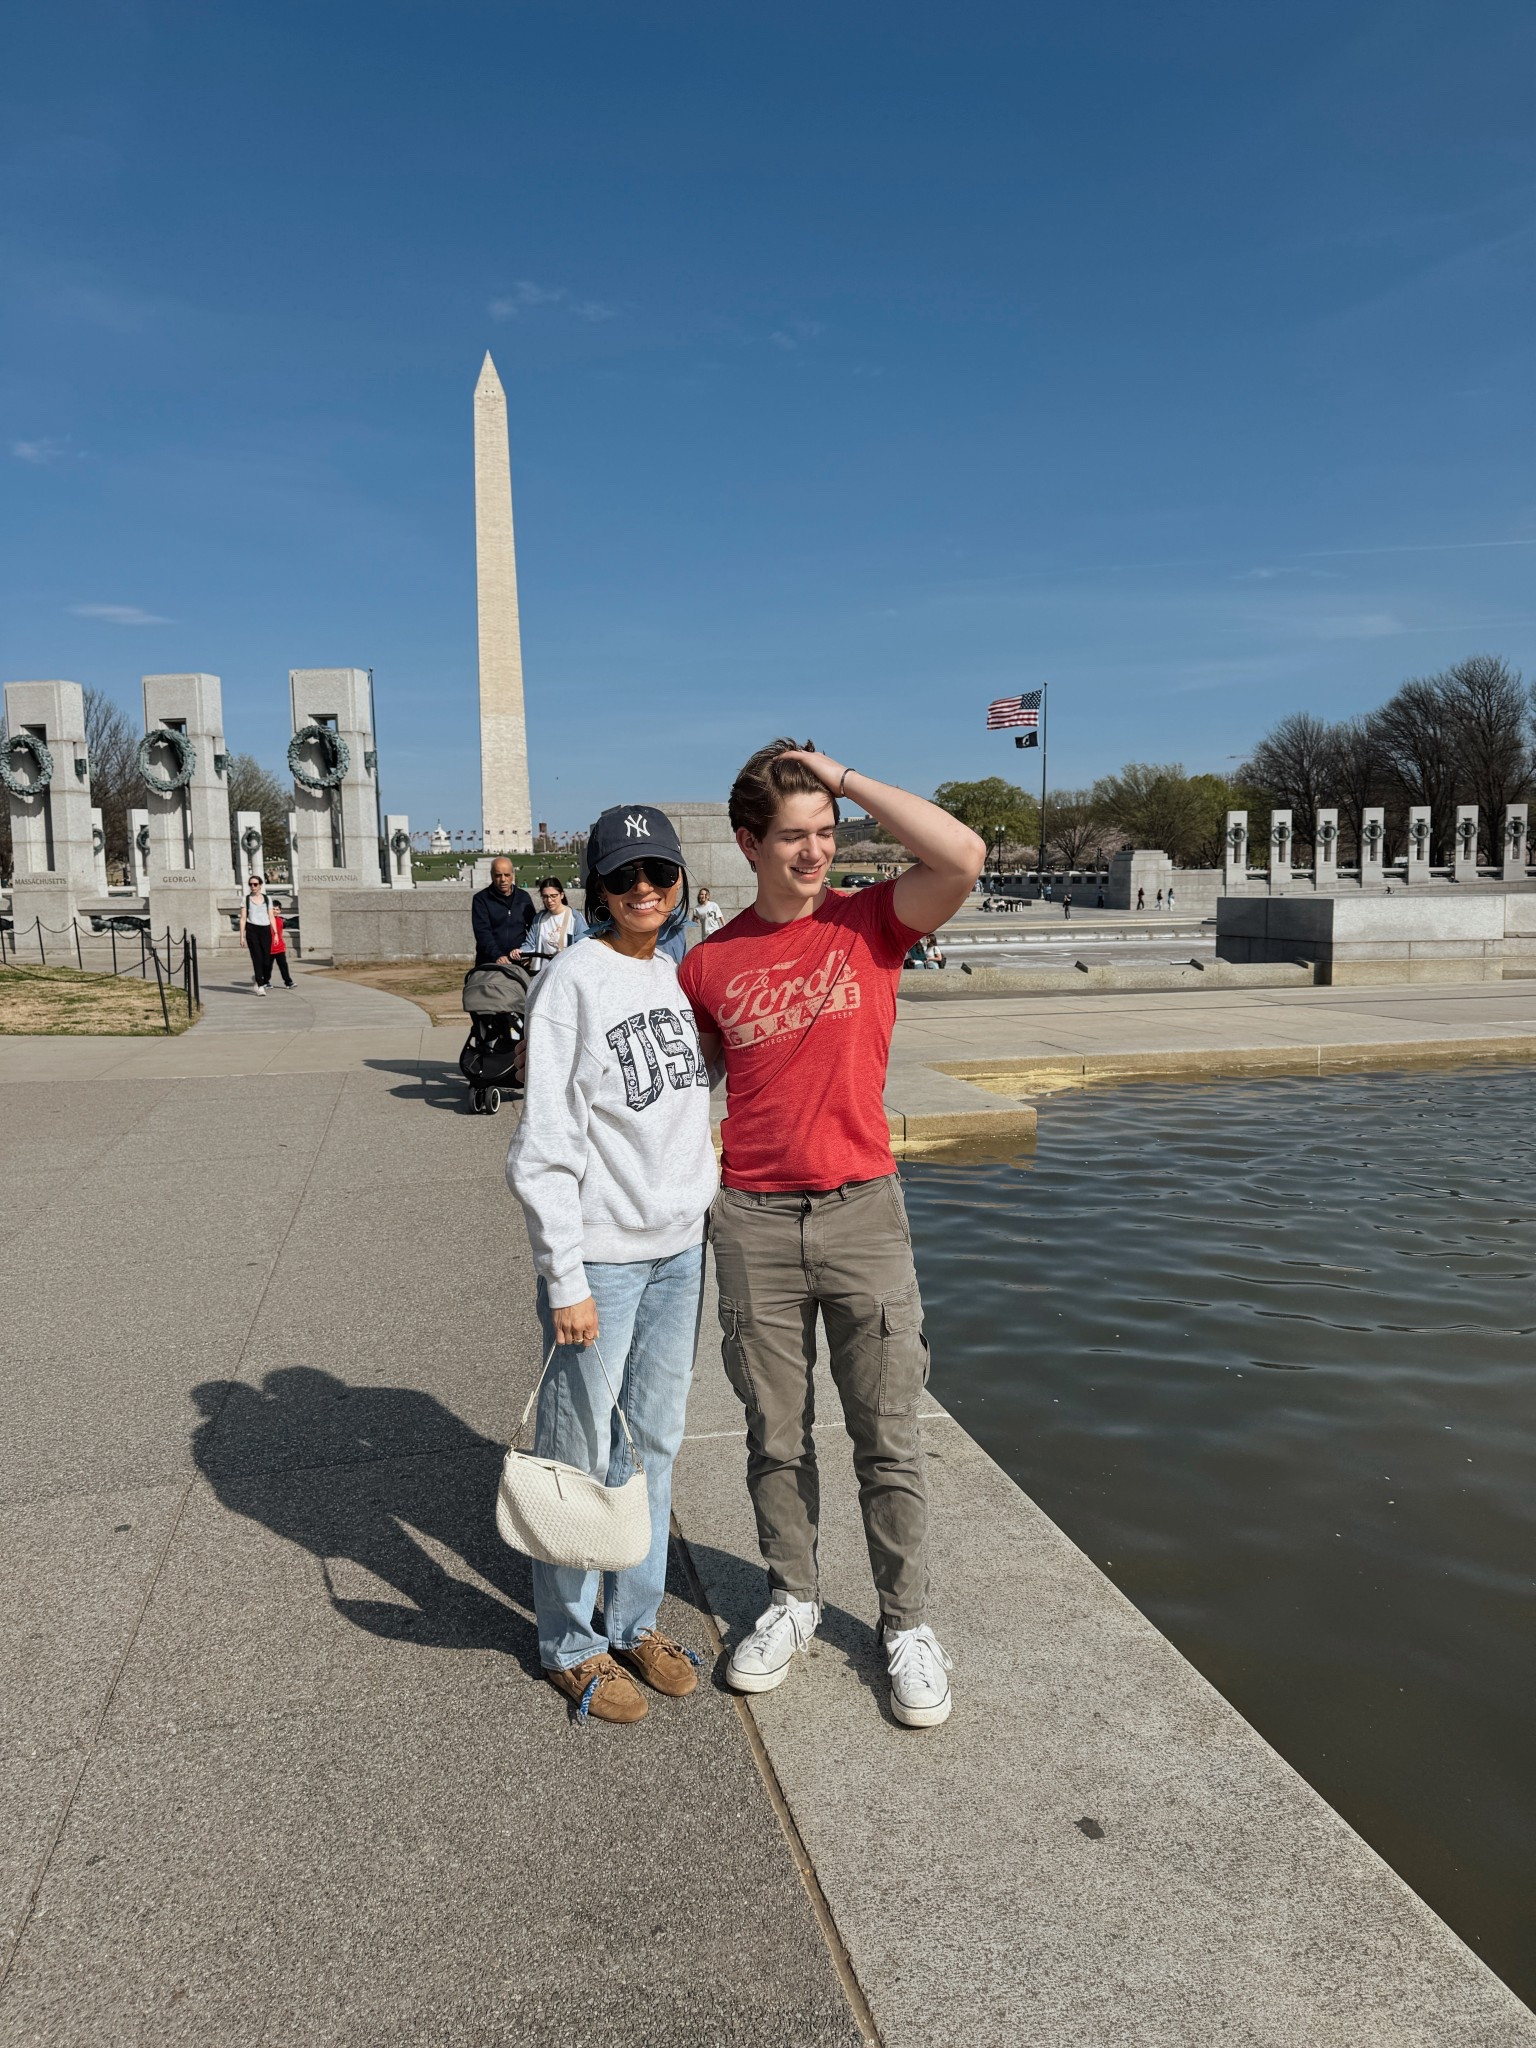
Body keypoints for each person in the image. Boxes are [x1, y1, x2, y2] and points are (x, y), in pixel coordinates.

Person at [679, 740, 986, 1729]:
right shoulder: (710, 963)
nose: (817, 853)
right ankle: (793, 1596)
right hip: (754, 1219)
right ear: (747, 844)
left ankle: (906, 1622)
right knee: (774, 1436)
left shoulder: (873, 923)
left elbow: (964, 856)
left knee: (888, 1434)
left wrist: (846, 778)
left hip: (863, 1209)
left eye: (827, 834)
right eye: (796, 837)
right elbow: (682, 1097)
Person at [505, 805, 717, 1726]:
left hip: (680, 1249)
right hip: (604, 1255)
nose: (643, 892)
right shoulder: (571, 983)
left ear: (678, 885)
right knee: (579, 1453)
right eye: (625, 878)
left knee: (657, 1441)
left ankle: (636, 1617)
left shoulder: (672, 976)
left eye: (658, 876)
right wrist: (566, 1277)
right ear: (597, 888)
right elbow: (544, 1143)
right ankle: (570, 1643)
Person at [472, 857, 536, 969]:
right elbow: (482, 932)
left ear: (513, 875)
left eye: (507, 875)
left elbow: (533, 929)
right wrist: (497, 955)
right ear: (491, 875)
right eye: (498, 875)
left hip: (519, 963)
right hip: (490, 962)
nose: (503, 879)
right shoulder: (481, 899)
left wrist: (528, 953)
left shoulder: (524, 897)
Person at [524, 877, 588, 973]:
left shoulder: (574, 917)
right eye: (545, 897)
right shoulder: (539, 919)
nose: (549, 900)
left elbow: (584, 944)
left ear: (561, 895)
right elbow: (530, 944)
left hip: (567, 971)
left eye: (553, 896)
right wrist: (520, 952)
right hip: (542, 972)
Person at [239, 874, 275, 995]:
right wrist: (242, 936)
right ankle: (260, 986)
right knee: (257, 958)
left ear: (260, 885)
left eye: (255, 884)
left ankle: (259, 977)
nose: (252, 886)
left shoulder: (267, 899)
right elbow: (243, 918)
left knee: (266, 960)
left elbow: (271, 917)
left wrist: (276, 934)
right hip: (252, 930)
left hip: (265, 930)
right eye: (250, 884)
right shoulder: (246, 899)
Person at [269, 898, 295, 989]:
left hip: (279, 948)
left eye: (277, 909)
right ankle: (266, 982)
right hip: (268, 948)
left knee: (283, 966)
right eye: (273, 909)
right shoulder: (265, 921)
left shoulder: (281, 920)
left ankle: (288, 982)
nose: (275, 911)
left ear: (280, 911)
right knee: (267, 967)